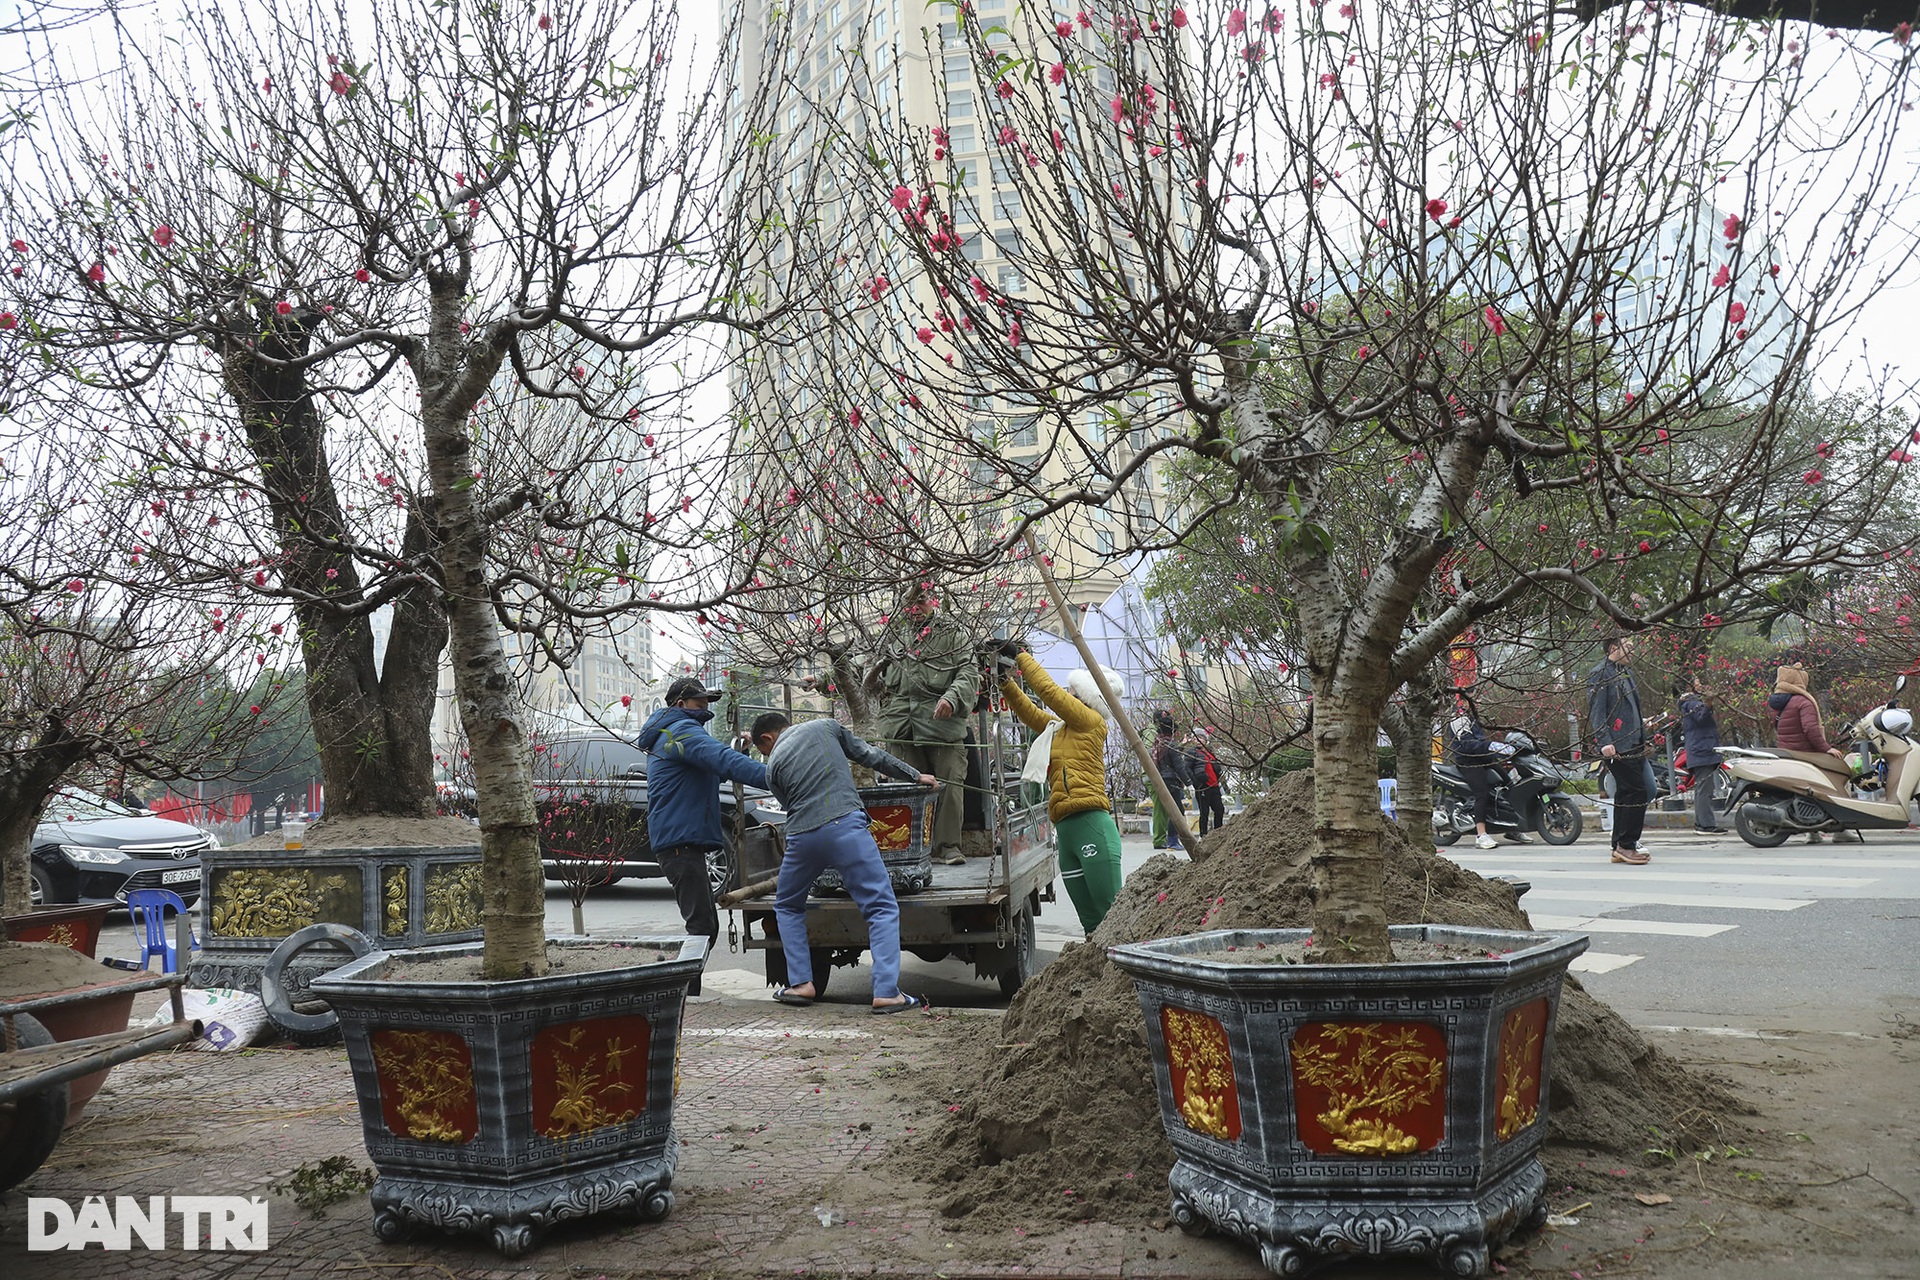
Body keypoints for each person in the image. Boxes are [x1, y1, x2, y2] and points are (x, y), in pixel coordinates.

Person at [748, 711, 936, 1013]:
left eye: (763, 749)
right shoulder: (826, 726)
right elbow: (870, 755)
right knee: (880, 906)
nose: (767, 752)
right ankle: (887, 992)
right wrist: (916, 776)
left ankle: (801, 985)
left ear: (767, 739)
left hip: (802, 838)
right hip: (846, 829)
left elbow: (788, 806)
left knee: (787, 905)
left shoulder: (772, 766)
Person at [637, 677, 769, 997]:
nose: (706, 708)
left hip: (681, 840)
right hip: (679, 842)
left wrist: (742, 751)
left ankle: (686, 990)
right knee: (702, 926)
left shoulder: (674, 731)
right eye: (700, 702)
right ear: (681, 704)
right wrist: (779, 778)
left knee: (705, 924)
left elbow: (716, 766)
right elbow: (720, 760)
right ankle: (682, 992)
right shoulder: (680, 731)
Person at [999, 649, 1124, 934]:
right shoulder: (1061, 728)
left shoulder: (1090, 721)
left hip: (1091, 823)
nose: (1068, 692)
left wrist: (1021, 657)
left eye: (1074, 690)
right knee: (1090, 922)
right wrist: (1005, 683)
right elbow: (1030, 713)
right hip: (1067, 829)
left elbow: (1049, 692)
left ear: (1086, 697)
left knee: (1109, 917)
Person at [874, 582, 980, 866]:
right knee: (902, 787)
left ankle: (949, 847)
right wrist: (825, 680)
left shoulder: (952, 633)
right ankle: (906, 849)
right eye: (910, 603)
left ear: (932, 600)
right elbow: (866, 666)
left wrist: (952, 698)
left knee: (949, 785)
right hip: (901, 727)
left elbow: (969, 671)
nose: (915, 608)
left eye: (920, 601)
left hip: (942, 726)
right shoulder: (894, 636)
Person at [1767, 664, 1862, 844]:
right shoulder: (1803, 702)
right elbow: (1810, 729)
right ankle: (1840, 829)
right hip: (1808, 752)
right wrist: (1826, 748)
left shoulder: (1775, 703)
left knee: (1807, 791)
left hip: (1788, 752)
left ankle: (1812, 833)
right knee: (1838, 778)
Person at [1587, 635, 1651, 865]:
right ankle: (1627, 844)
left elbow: (1631, 710)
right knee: (1637, 791)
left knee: (1626, 792)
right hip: (1616, 745)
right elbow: (1597, 711)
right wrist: (1604, 740)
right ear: (1614, 647)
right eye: (1629, 646)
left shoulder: (1625, 673)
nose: (1633, 651)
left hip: (1633, 743)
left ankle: (1619, 846)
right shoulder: (1600, 673)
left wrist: (1644, 735)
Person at [1446, 691, 1526, 849]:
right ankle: (1481, 834)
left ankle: (1512, 827)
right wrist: (1490, 746)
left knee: (1509, 783)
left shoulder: (1472, 717)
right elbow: (1468, 745)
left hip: (1484, 758)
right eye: (1473, 698)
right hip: (1468, 762)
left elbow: (1481, 741)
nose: (1478, 701)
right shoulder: (1458, 719)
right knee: (1482, 793)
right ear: (1463, 701)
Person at [1676, 683, 1728, 834]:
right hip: (1703, 752)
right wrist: (1709, 703)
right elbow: (1702, 717)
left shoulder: (1687, 704)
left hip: (1699, 750)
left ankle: (1702, 823)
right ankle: (1706, 825)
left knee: (1703, 789)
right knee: (1705, 790)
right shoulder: (1692, 702)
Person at [1150, 711, 1191, 850]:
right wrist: (1189, 783)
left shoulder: (1158, 743)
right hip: (1171, 780)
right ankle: (1173, 841)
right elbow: (1179, 766)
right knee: (1176, 811)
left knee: (1171, 810)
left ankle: (1172, 840)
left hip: (1161, 779)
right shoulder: (1171, 745)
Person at [1188, 732, 1226, 836]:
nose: (1199, 740)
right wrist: (1195, 783)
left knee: (1219, 810)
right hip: (1203, 787)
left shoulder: (1210, 753)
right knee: (1204, 812)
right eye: (1196, 738)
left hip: (1214, 786)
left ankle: (1218, 833)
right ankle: (1203, 834)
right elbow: (1187, 769)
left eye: (1201, 738)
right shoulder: (1192, 753)